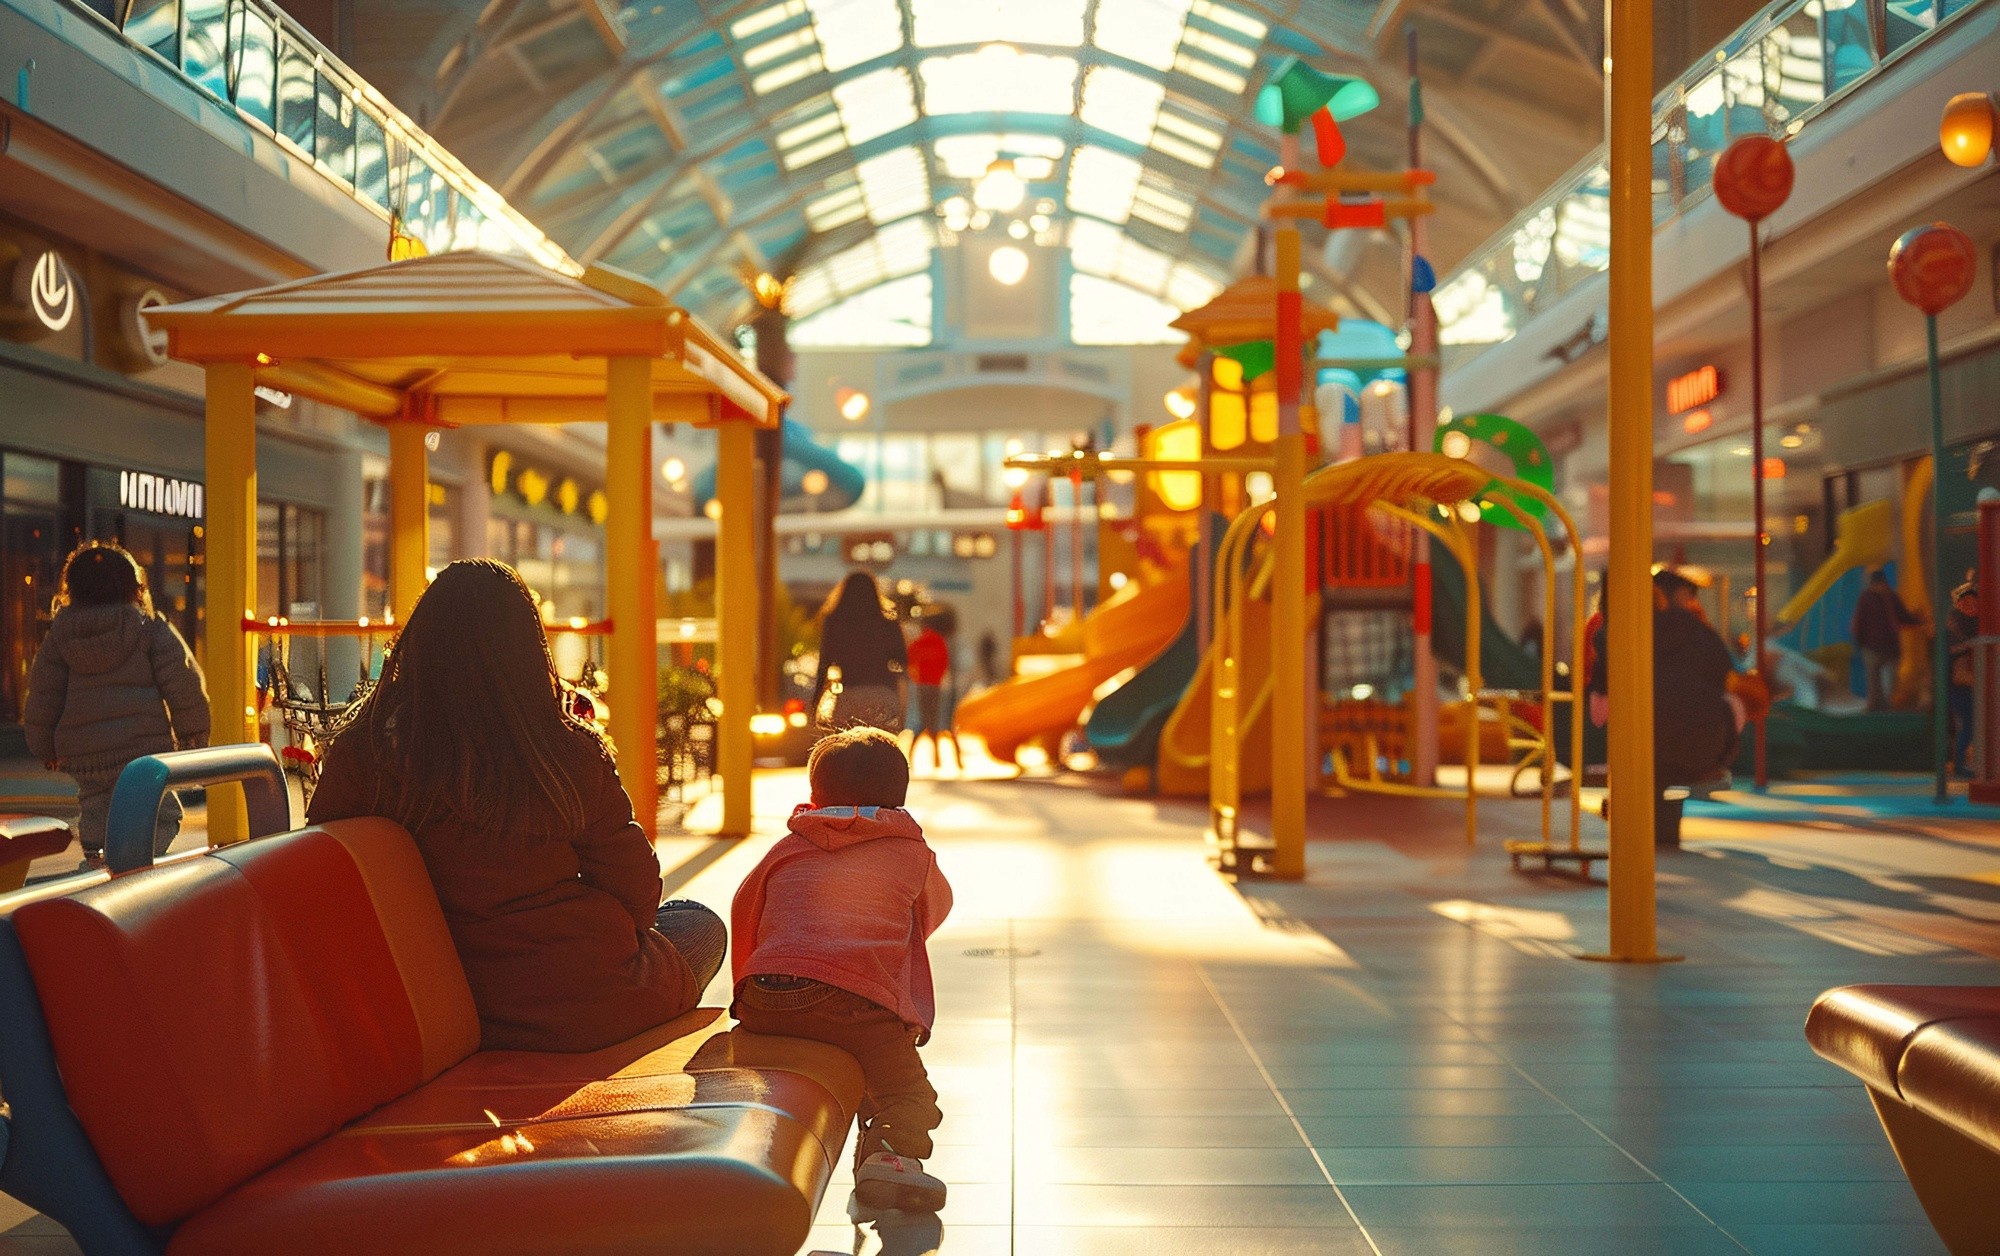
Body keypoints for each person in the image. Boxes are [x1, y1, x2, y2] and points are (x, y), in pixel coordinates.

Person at [307, 559, 725, 1053]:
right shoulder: (565, 748)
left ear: (419, 643)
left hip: (442, 1001)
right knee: (699, 922)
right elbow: (637, 892)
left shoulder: (368, 751)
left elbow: (327, 879)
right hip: (587, 1005)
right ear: (529, 649)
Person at [730, 727, 953, 1214]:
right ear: (900, 798)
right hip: (855, 1005)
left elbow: (746, 907)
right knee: (909, 1095)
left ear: (814, 795)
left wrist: (749, 985)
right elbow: (934, 909)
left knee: (846, 1046)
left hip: (766, 997)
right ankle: (889, 1159)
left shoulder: (787, 847)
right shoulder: (911, 851)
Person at [25, 543, 209, 868]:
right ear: (134, 586)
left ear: (72, 589)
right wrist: (193, 737)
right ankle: (137, 865)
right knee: (162, 813)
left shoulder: (60, 636)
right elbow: (184, 683)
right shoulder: (149, 629)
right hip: (143, 751)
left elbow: (43, 695)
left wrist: (44, 748)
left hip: (85, 753)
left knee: (96, 808)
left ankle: (98, 860)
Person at [814, 571, 908, 732]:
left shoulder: (835, 622)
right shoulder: (888, 624)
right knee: (881, 746)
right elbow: (902, 660)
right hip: (884, 692)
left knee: (847, 746)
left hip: (851, 692)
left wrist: (815, 699)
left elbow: (825, 662)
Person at [1852, 568, 1921, 710]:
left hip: (1877, 648)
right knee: (1882, 682)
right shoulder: (1888, 597)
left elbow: (1858, 624)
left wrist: (1859, 644)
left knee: (1877, 682)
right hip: (1885, 648)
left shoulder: (1869, 598)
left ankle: (1879, 707)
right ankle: (1881, 707)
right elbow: (1904, 617)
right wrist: (1918, 620)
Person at [905, 607, 959, 772]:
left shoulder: (921, 641)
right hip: (936, 686)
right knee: (936, 722)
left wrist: (916, 677)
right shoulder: (939, 641)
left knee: (924, 722)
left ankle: (914, 758)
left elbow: (908, 659)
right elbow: (944, 663)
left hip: (922, 685)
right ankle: (938, 759)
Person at [1948, 579, 1980, 778]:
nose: (1970, 606)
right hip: (1958, 682)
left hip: (1968, 680)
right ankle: (1959, 764)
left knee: (1970, 723)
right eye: (1965, 602)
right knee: (1968, 722)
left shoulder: (1976, 622)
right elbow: (1954, 651)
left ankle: (1961, 762)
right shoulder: (1955, 623)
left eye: (1973, 601)